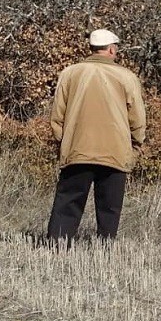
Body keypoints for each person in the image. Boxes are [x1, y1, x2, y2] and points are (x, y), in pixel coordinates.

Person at [46, 29, 146, 242]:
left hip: (76, 149)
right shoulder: (127, 77)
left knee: (68, 202)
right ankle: (104, 249)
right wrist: (136, 145)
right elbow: (137, 119)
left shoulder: (70, 73)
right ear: (111, 49)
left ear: (90, 48)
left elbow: (57, 116)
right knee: (109, 207)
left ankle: (56, 247)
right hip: (116, 151)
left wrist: (62, 142)